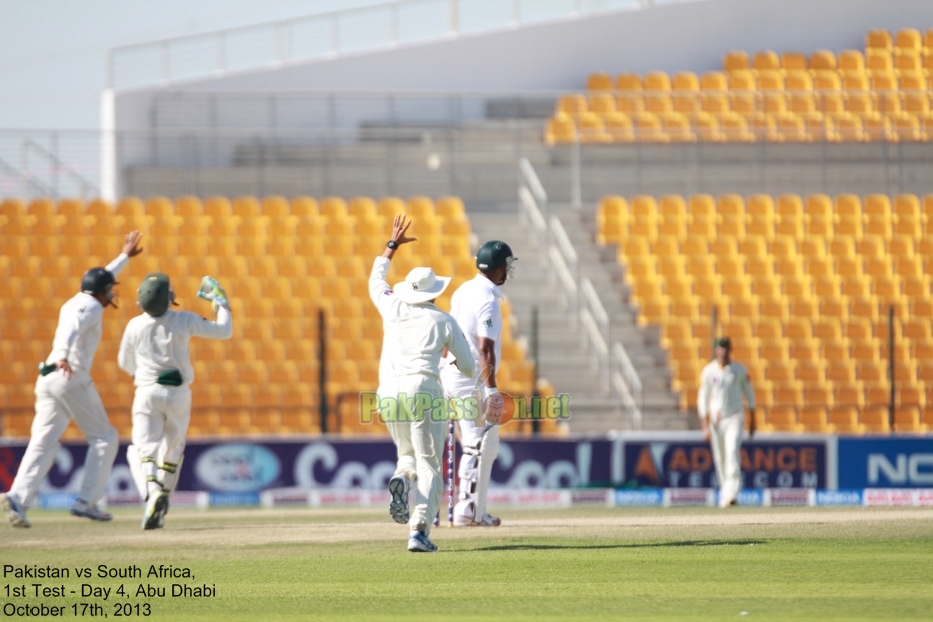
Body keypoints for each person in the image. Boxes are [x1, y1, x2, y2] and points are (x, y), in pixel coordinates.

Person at [0, 231, 144, 528]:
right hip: (69, 374)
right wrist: (64, 353)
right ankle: (87, 502)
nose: (112, 293)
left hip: (48, 378)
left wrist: (124, 257)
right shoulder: (87, 306)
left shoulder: (82, 298)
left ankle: (17, 497)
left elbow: (101, 280)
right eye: (111, 290)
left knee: (44, 442)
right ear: (102, 292)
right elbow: (72, 326)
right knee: (105, 437)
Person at [370, 215, 475, 553]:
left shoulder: (392, 306)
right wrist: (449, 360)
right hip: (423, 392)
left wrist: (391, 246)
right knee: (430, 466)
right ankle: (418, 529)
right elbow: (470, 366)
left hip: (387, 394)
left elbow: (375, 280)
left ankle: (401, 478)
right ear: (434, 292)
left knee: (408, 456)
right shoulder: (444, 321)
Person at [118, 274, 232, 529]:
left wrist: (142, 374)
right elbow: (225, 331)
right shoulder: (183, 319)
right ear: (167, 297)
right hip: (179, 393)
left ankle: (153, 495)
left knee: (140, 450)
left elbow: (124, 362)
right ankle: (161, 503)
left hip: (147, 393)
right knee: (172, 450)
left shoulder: (134, 325)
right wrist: (222, 303)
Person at [440, 240, 516, 527]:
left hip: (452, 371)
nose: (508, 271)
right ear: (498, 268)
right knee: (476, 445)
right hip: (468, 378)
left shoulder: (464, 289)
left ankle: (473, 510)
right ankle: (466, 512)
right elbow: (485, 349)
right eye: (506, 265)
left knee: (483, 443)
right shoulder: (487, 299)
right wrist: (493, 391)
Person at [697, 337, 756, 508]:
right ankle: (725, 491)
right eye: (719, 347)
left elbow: (750, 394)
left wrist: (753, 420)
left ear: (730, 349)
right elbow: (703, 397)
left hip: (735, 417)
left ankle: (732, 493)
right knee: (720, 457)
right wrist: (704, 424)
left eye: (725, 347)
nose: (722, 351)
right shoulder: (709, 371)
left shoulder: (739, 370)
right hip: (716, 421)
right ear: (715, 350)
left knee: (732, 452)